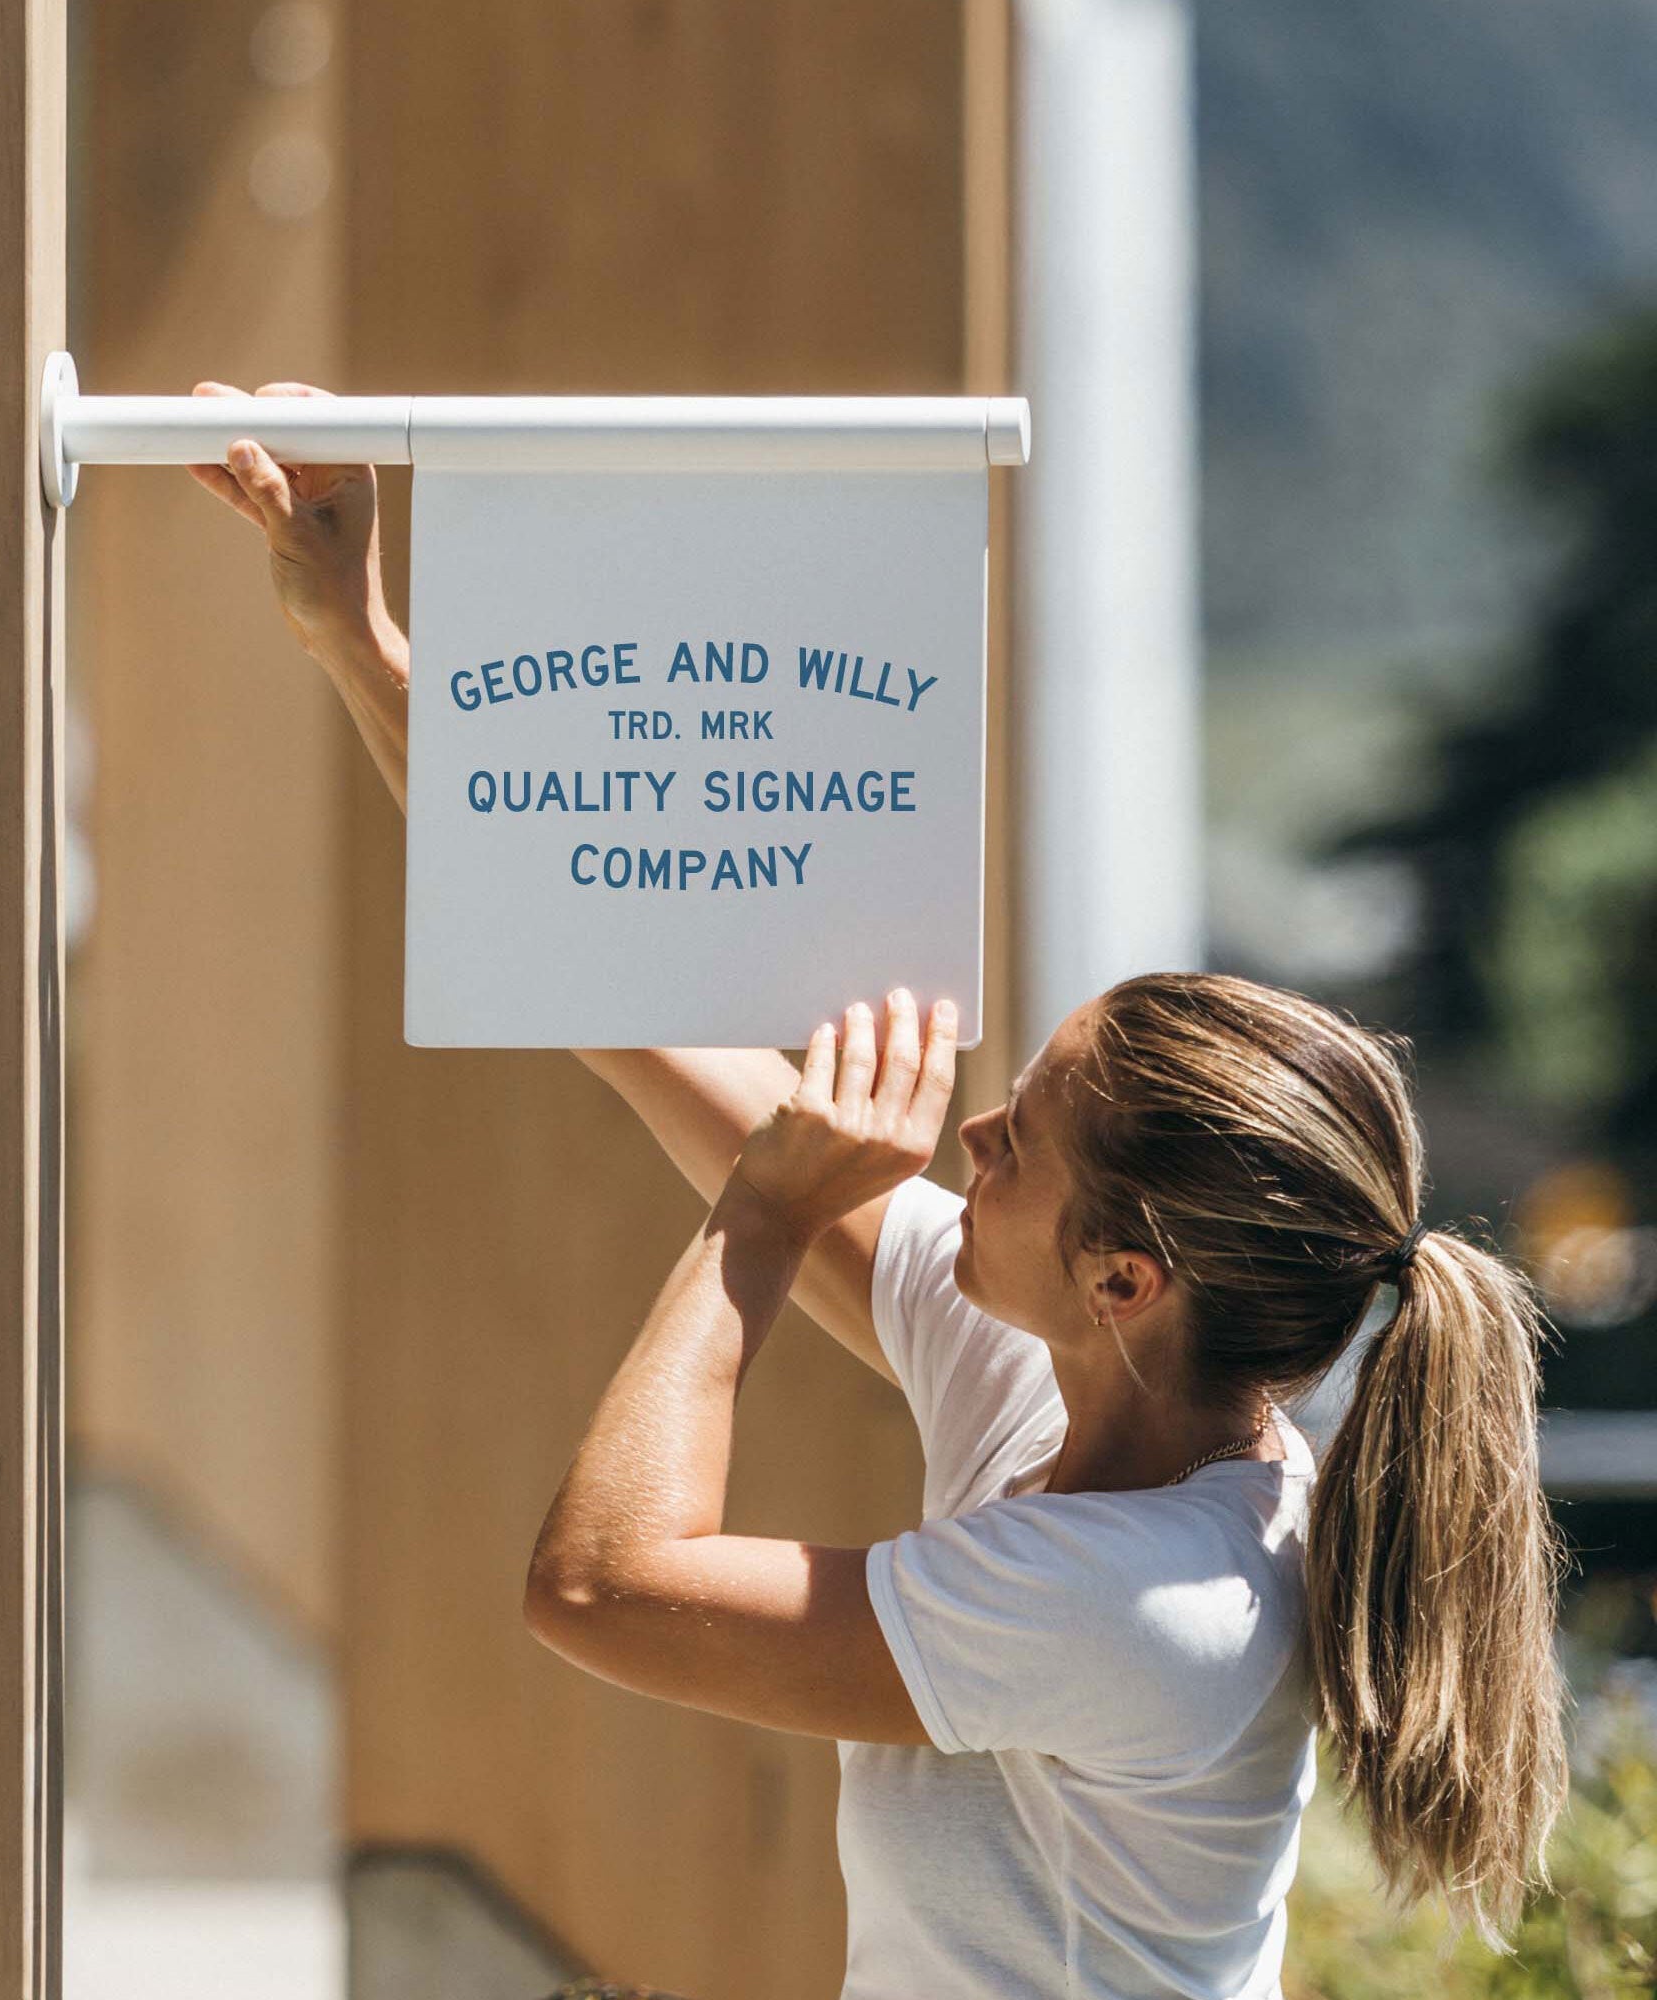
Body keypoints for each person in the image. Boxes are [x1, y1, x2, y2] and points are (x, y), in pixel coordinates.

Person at [187, 384, 1570, 1999]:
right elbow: (618, 997)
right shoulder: (1061, 1383)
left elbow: (598, 1589)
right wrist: (354, 635)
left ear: (1128, 1278)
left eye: (1022, 1137)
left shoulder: (1144, 1602)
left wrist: (761, 1223)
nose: (970, 1135)